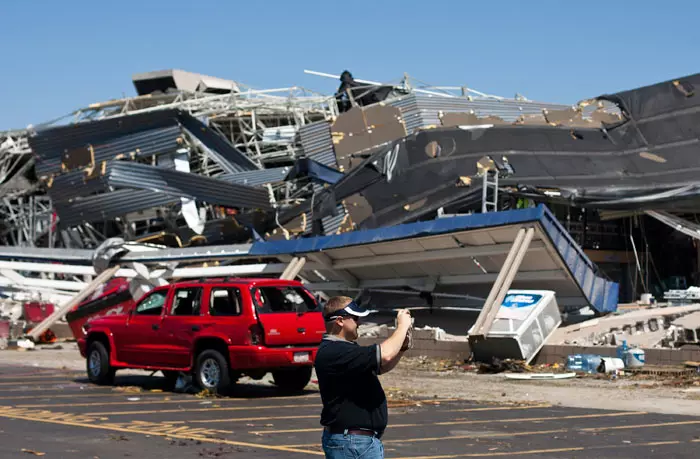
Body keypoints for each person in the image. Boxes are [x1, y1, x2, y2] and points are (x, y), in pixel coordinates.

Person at [314, 296, 412, 458]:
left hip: (355, 442)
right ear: (340, 321)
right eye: (355, 318)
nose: (359, 322)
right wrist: (402, 325)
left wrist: (401, 349)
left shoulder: (344, 349)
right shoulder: (335, 351)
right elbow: (385, 354)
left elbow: (381, 366)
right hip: (353, 443)